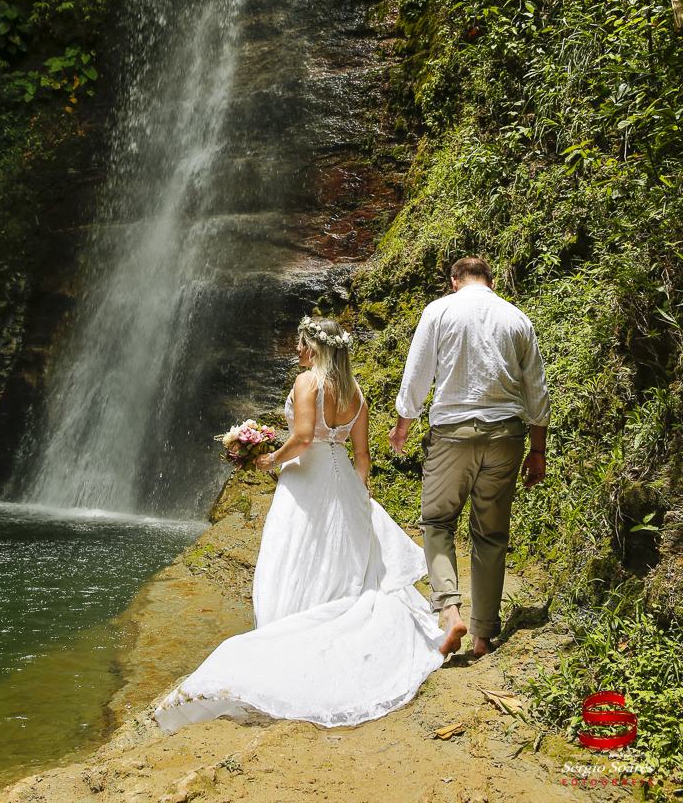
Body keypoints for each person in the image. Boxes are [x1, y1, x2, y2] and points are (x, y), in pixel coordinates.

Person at [154, 316, 444, 732]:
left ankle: (282, 633)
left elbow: (305, 436)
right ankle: (318, 615)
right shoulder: (356, 393)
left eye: (301, 342)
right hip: (341, 475)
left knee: (290, 554)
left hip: (306, 479)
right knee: (336, 554)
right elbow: (361, 455)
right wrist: (360, 492)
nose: (297, 349)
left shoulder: (307, 382)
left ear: (316, 346)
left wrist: (271, 458)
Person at [389, 257, 550, 660]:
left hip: (453, 435)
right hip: (507, 437)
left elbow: (418, 373)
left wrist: (402, 424)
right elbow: (538, 392)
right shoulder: (517, 319)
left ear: (454, 281)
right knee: (491, 535)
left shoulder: (440, 310)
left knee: (438, 520)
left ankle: (451, 610)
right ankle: (483, 637)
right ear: (492, 282)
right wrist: (538, 451)